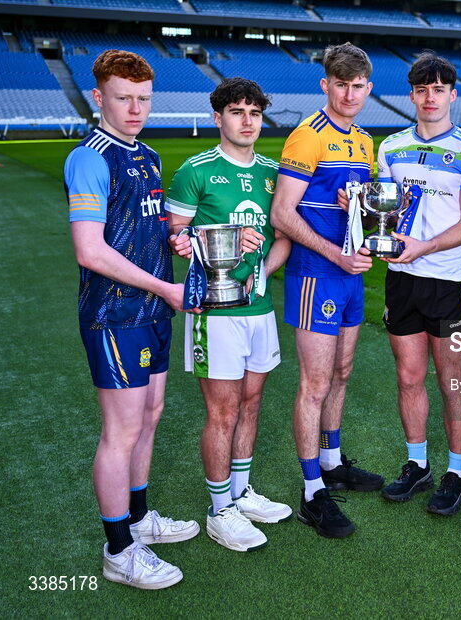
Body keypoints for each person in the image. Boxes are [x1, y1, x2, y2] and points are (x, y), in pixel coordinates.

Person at [65, 49, 199, 589]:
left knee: (150, 416)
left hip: (152, 309)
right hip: (113, 313)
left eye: (143, 98)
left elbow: (144, 226)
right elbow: (90, 251)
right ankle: (119, 551)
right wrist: (165, 286)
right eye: (124, 98)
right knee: (120, 431)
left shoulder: (146, 155)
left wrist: (175, 240)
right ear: (99, 97)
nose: (135, 108)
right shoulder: (90, 158)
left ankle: (140, 520)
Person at [165, 78, 293, 552]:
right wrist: (211, 242)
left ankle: (241, 494)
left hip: (258, 308)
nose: (247, 121)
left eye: (255, 113)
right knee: (222, 410)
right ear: (218, 117)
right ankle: (220, 510)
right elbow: (174, 239)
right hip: (213, 312)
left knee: (252, 403)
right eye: (237, 112)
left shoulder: (270, 172)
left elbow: (283, 235)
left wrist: (260, 272)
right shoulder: (195, 171)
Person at [271, 42, 384, 539]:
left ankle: (333, 461)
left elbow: (354, 210)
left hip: (350, 273)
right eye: (341, 84)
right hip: (317, 274)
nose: (350, 94)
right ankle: (312, 492)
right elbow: (282, 214)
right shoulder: (307, 137)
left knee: (342, 371)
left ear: (368, 88)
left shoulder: (363, 140)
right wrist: (335, 254)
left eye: (358, 86)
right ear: (326, 85)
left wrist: (357, 211)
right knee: (314, 384)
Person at [374, 52, 461, 515]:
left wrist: (425, 247)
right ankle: (418, 464)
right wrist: (362, 211)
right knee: (409, 377)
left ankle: (457, 471)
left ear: (453, 95)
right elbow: (385, 212)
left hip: (447, 279)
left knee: (452, 379)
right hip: (402, 279)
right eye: (422, 89)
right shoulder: (390, 147)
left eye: (439, 89)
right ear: (412, 95)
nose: (430, 97)